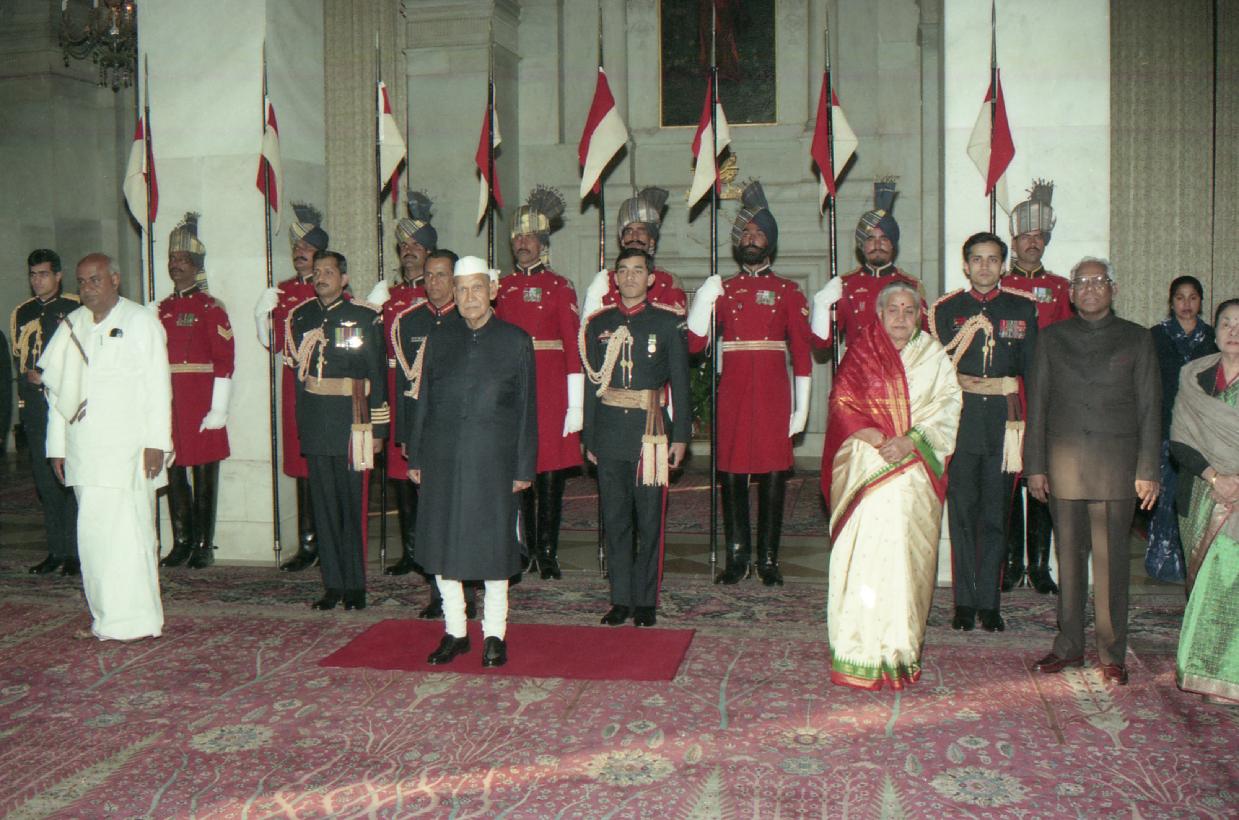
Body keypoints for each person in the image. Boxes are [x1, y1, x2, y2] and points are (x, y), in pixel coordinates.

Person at [1027, 257, 1160, 686]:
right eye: (1080, 282)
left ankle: (1111, 653)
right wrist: (1035, 467)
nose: (1089, 288)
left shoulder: (1137, 338)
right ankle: (1067, 645)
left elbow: (1150, 408)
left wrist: (1148, 468)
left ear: (1113, 289)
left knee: (1110, 564)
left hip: (1116, 469)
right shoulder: (1051, 339)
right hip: (1063, 468)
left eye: (1098, 281)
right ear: (1070, 292)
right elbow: (1037, 406)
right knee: (1068, 562)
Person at [824, 282, 962, 690]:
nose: (901, 317)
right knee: (863, 559)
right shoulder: (862, 350)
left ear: (919, 315)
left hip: (915, 470)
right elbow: (841, 401)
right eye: (893, 310)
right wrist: (872, 436)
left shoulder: (933, 355)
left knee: (905, 563)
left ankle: (900, 651)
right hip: (867, 465)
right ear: (880, 314)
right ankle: (857, 650)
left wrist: (910, 442)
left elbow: (948, 405)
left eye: (909, 310)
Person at [405, 256, 537, 668]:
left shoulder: (516, 340)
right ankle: (455, 631)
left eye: (477, 288)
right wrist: (417, 454)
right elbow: (424, 400)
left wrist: (523, 467)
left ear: (493, 291)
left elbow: (527, 410)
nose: (469, 297)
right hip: (442, 459)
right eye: (461, 290)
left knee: (494, 550)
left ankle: (494, 634)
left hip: (494, 462)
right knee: (444, 548)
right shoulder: (439, 338)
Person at [687, 181, 813, 586]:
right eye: (745, 233)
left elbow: (803, 354)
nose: (751, 239)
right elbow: (695, 344)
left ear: (770, 242)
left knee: (774, 475)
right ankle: (737, 557)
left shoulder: (787, 291)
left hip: (774, 397)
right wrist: (702, 301)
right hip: (734, 395)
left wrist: (802, 408)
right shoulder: (724, 289)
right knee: (731, 473)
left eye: (758, 233)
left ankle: (769, 559)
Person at [39, 253, 170, 641]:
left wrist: (156, 443)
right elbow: (57, 394)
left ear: (115, 280)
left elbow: (158, 387)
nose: (87, 288)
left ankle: (138, 621)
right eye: (81, 281)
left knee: (131, 537)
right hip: (85, 452)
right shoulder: (72, 325)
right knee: (94, 540)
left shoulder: (140, 321)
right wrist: (57, 446)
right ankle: (106, 619)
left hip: (129, 452)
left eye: (95, 279)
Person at [930, 232, 1038, 633]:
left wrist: (1033, 429)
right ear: (965, 265)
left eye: (993, 259)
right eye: (977, 259)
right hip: (962, 420)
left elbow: (1033, 372)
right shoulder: (947, 310)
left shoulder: (1022, 309)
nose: (985, 266)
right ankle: (963, 603)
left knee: (996, 514)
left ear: (1003, 265)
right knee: (961, 512)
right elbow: (937, 373)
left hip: (1005, 424)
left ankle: (990, 604)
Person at [582, 248, 691, 627]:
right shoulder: (598, 324)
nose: (630, 277)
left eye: (638, 270)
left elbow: (681, 382)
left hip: (651, 432)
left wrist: (681, 436)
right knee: (615, 519)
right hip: (610, 431)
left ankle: (645, 600)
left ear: (651, 278)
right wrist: (590, 437)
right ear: (615, 278)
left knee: (649, 519)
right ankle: (620, 599)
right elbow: (592, 385)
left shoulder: (667, 323)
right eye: (623, 270)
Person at [286, 250, 387, 611]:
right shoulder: (301, 317)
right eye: (317, 272)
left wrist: (379, 429)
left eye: (329, 272)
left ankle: (355, 585)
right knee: (324, 507)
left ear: (344, 279)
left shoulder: (364, 316)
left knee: (352, 506)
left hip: (352, 421)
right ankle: (332, 584)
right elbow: (298, 379)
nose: (321, 277)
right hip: (317, 424)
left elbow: (377, 374)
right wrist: (302, 425)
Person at [494, 185, 582, 580]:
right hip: (513, 390)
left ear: (543, 243)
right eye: (517, 237)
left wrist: (576, 403)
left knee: (549, 473)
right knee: (517, 471)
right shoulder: (501, 288)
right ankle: (522, 547)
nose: (522, 243)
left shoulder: (560, 287)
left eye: (529, 236)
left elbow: (573, 346)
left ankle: (547, 550)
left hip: (550, 393)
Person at [1000, 180, 1073, 594]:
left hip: (1046, 394)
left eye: (1039, 237)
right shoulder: (1000, 285)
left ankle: (1041, 566)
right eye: (1026, 236)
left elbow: (1067, 341)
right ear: (1014, 241)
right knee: (1012, 477)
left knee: (1042, 478)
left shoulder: (1060, 288)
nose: (1033, 243)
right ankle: (1012, 563)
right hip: (1011, 396)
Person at [391, 247, 472, 618]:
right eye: (429, 275)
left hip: (463, 434)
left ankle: (469, 591)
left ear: (455, 280)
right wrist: (406, 434)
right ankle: (439, 594)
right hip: (426, 433)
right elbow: (402, 384)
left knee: (464, 515)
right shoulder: (409, 322)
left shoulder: (469, 320)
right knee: (432, 517)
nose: (434, 282)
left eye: (442, 275)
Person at [253, 203, 330, 572]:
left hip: (324, 382)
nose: (300, 252)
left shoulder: (329, 289)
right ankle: (307, 543)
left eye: (307, 247)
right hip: (293, 382)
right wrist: (261, 318)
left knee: (322, 463)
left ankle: (327, 540)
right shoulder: (282, 291)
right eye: (297, 247)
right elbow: (272, 343)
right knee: (300, 463)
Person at [157, 213, 234, 569]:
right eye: (172, 259)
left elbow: (224, 360)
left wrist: (219, 408)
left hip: (201, 402)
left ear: (196, 265)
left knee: (203, 474)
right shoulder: (161, 309)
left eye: (183, 260)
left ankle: (204, 543)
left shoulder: (210, 308)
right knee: (173, 472)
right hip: (170, 402)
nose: (176, 265)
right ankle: (182, 541)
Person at [1172, 299, 1239, 704]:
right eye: (1227, 323)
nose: (1234, 331)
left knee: (1230, 585)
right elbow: (1180, 439)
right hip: (1200, 492)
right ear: (1214, 331)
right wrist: (1216, 478)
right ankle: (1205, 670)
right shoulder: (1195, 376)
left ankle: (1229, 676)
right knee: (1204, 588)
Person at [368, 190, 437, 578]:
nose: (409, 251)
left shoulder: (436, 296)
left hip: (427, 389)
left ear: (429, 253)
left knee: (428, 473)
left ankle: (429, 548)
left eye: (416, 246)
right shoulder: (390, 297)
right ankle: (409, 549)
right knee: (399, 472)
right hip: (396, 388)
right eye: (404, 246)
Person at [10, 249, 80, 576]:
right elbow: (20, 360)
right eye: (33, 275)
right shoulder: (22, 313)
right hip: (36, 408)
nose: (38, 281)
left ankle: (76, 553)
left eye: (44, 274)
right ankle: (56, 550)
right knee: (45, 481)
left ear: (58, 275)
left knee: (71, 478)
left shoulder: (75, 308)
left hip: (65, 404)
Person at [1146, 276, 1217, 581]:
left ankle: (1197, 565)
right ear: (1171, 301)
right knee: (1165, 496)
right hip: (1166, 426)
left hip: (1204, 430)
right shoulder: (1155, 336)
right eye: (1180, 297)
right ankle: (1163, 566)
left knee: (1198, 499)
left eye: (1193, 297)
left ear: (1201, 301)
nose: (1186, 304)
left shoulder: (1214, 337)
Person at [811, 179, 926, 352]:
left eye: (884, 239)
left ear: (893, 244)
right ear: (862, 245)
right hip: (858, 365)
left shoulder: (911, 285)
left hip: (899, 365)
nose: (877, 245)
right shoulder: (846, 285)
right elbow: (822, 343)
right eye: (871, 239)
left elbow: (924, 339)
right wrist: (821, 306)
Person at [581, 187, 687, 318]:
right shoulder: (605, 280)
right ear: (622, 240)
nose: (634, 237)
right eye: (628, 231)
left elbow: (677, 326)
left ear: (651, 240)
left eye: (641, 231)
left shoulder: (668, 281)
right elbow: (589, 326)